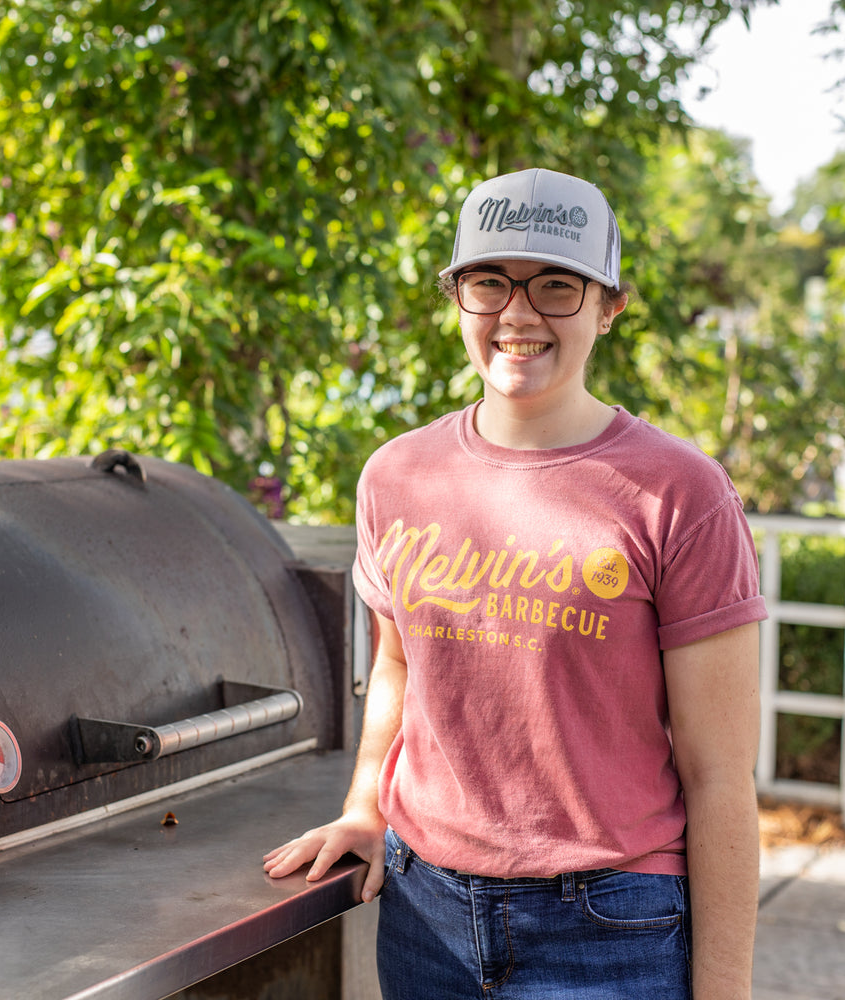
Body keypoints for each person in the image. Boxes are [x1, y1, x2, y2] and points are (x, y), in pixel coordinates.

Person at [264, 167, 766, 999]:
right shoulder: (397, 476)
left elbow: (720, 776)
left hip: (609, 924)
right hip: (425, 912)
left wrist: (724, 990)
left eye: (557, 286)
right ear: (457, 297)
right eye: (490, 282)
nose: (519, 313)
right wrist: (366, 807)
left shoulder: (681, 494)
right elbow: (397, 667)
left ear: (608, 307)